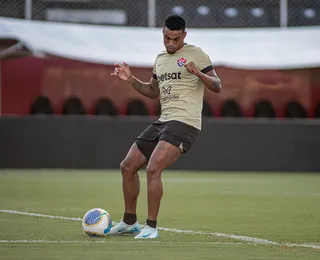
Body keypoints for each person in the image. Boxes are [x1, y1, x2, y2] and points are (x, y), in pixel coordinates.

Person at [109, 15, 222, 239]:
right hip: (164, 120)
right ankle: (130, 222)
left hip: (185, 122)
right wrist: (131, 80)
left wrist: (198, 73)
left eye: (176, 39)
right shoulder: (160, 58)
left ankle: (151, 227)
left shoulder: (197, 54)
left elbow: (217, 86)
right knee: (127, 166)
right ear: (162, 33)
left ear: (184, 36)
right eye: (167, 38)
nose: (170, 43)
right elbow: (152, 92)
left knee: (153, 169)